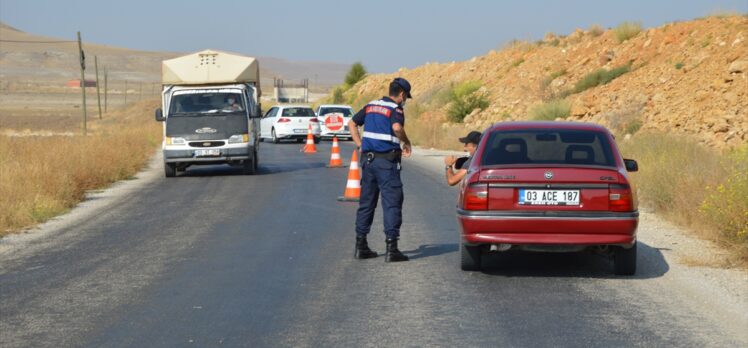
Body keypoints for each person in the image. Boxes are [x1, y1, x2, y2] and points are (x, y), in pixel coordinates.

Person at [349, 77, 413, 262]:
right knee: (392, 202)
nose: (405, 100)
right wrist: (406, 142)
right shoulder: (396, 109)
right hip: (387, 163)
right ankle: (392, 249)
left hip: (368, 162)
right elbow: (396, 127)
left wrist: (360, 145)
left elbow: (352, 124)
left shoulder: (370, 105)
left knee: (366, 203)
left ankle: (361, 246)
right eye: (406, 97)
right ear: (401, 94)